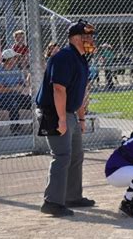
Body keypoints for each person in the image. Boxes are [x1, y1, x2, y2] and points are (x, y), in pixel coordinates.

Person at [35, 19, 97, 217]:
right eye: (86, 36)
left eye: (90, 36)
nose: (90, 40)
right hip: (54, 112)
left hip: (69, 113)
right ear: (74, 38)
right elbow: (58, 89)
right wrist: (62, 119)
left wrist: (81, 119)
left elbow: (78, 92)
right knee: (62, 156)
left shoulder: (81, 59)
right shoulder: (64, 57)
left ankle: (71, 196)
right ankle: (52, 202)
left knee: (76, 154)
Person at [0, 49, 32, 135]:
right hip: (3, 99)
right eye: (14, 58)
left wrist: (25, 84)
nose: (16, 59)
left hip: (17, 96)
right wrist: (14, 88)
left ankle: (35, 125)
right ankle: (15, 130)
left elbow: (23, 85)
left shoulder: (16, 69)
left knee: (34, 102)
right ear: (8, 59)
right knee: (14, 104)